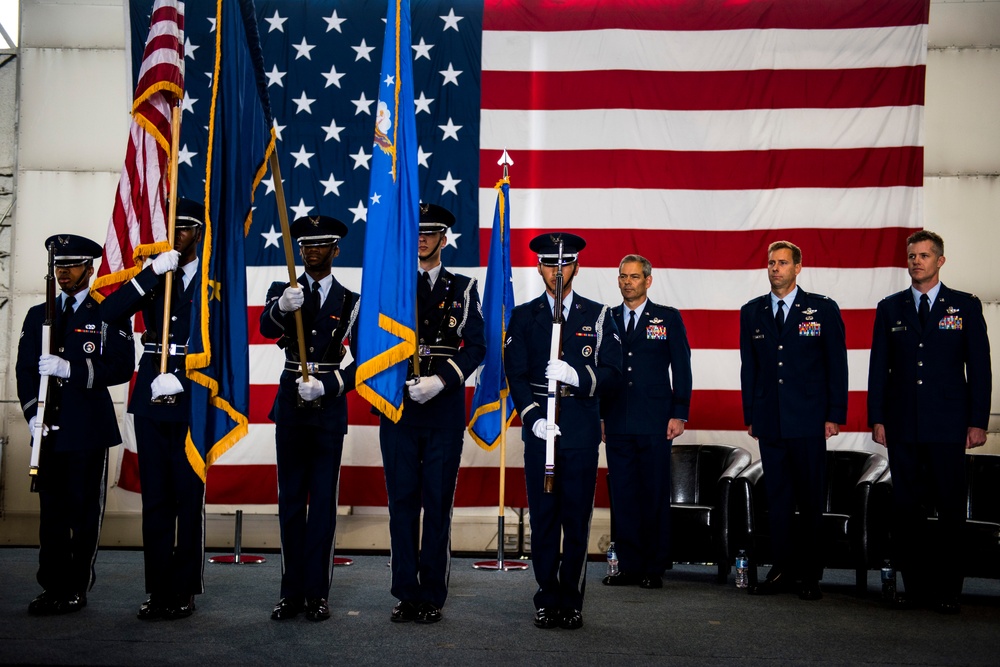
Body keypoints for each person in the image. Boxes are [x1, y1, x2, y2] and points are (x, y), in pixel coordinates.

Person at [868, 230, 992, 614]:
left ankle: (949, 590)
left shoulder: (965, 307)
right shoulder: (890, 308)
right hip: (903, 425)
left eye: (923, 255)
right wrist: (878, 418)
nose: (916, 261)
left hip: (948, 425)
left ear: (940, 260)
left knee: (951, 509)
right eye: (911, 256)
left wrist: (977, 420)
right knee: (907, 510)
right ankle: (916, 587)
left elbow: (980, 369)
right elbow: (878, 370)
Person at [504, 232, 622, 630]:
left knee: (575, 520)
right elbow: (516, 374)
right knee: (543, 519)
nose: (557, 271)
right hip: (542, 432)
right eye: (549, 264)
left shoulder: (599, 315)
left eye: (564, 263)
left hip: (580, 434)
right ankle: (546, 595)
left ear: (576, 266)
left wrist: (577, 376)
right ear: (539, 267)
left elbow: (613, 372)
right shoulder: (523, 316)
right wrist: (533, 416)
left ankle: (571, 599)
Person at [15, 234, 134, 615]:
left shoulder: (109, 312)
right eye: (58, 266)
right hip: (48, 429)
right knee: (51, 512)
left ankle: (76, 586)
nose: (63, 273)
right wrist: (33, 413)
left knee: (83, 512)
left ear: (90, 268)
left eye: (71, 265)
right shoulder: (38, 316)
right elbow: (23, 370)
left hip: (87, 429)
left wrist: (72, 369)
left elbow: (120, 367)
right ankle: (51, 585)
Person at [100, 197, 206, 620]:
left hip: (193, 393)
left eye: (183, 228)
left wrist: (188, 375)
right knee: (157, 497)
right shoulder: (156, 274)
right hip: (151, 394)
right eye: (171, 227)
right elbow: (109, 312)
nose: (175, 235)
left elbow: (227, 342)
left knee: (187, 497)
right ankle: (158, 587)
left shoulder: (213, 280)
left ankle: (184, 589)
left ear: (197, 232)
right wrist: (148, 276)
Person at [379, 203, 485, 625]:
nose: (421, 238)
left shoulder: (463, 288)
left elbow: (476, 345)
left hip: (442, 409)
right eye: (416, 232)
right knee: (402, 503)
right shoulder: (392, 286)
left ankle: (432, 596)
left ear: (444, 238)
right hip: (400, 405)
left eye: (430, 232)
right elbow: (368, 340)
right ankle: (406, 593)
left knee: (438, 504)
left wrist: (442, 380)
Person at [259, 215, 359, 623]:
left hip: (328, 406)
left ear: (336, 250)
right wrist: (282, 307)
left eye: (321, 244)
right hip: (291, 405)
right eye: (305, 245)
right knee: (289, 504)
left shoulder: (352, 301)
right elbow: (266, 328)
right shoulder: (283, 290)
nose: (312, 251)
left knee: (321, 507)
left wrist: (331, 386)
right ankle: (290, 592)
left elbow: (366, 362)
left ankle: (317, 594)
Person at [738, 240, 847, 601]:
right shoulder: (752, 312)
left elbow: (836, 365)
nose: (775, 269)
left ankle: (810, 574)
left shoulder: (821, 309)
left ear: (798, 268)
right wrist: (750, 414)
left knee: (810, 499)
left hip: (809, 421)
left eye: (783, 263)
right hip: (770, 420)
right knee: (779, 498)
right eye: (771, 263)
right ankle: (783, 568)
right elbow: (749, 368)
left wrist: (835, 415)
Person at [600, 254, 692, 590]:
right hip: (618, 420)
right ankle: (628, 565)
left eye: (634, 277)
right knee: (623, 495)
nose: (627, 282)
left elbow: (681, 367)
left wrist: (679, 412)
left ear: (648, 280)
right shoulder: (606, 318)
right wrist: (600, 415)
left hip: (656, 420)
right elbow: (601, 370)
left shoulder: (666, 318)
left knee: (653, 493)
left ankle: (653, 566)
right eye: (623, 276)